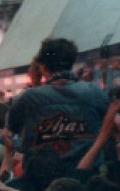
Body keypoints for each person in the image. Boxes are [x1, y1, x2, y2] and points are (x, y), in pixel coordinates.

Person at [7, 37, 108, 168]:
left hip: (42, 177)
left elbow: (10, 133)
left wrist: (35, 84)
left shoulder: (27, 98)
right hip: (86, 178)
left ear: (42, 66)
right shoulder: (95, 93)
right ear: (72, 61)